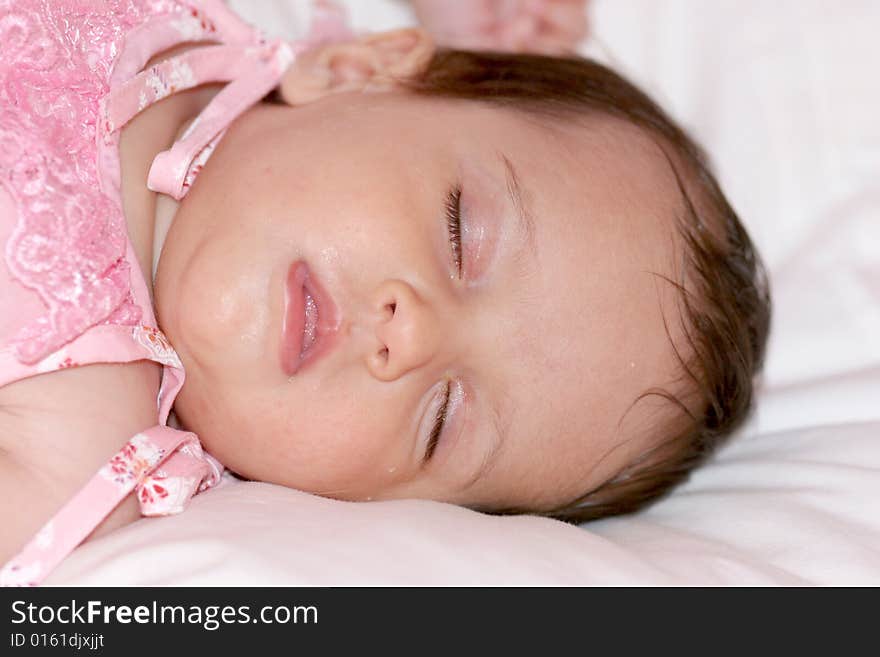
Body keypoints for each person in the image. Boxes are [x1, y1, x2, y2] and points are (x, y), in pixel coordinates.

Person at [0, 0, 770, 585]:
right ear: (356, 73)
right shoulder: (215, 29)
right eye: (459, 232)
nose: (413, 334)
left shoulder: (69, 453)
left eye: (442, 419)